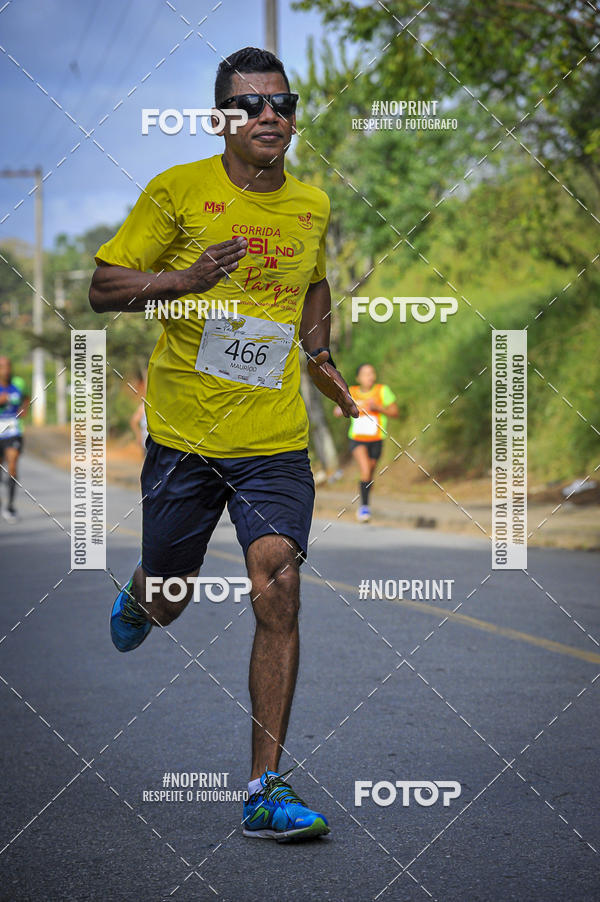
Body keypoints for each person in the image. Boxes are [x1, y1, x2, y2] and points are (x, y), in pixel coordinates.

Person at [88, 47, 358, 842]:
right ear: (222, 120)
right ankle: (147, 588)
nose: (270, 115)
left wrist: (325, 364)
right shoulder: (178, 191)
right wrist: (183, 280)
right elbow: (105, 286)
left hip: (272, 439)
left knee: (277, 581)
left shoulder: (310, 204)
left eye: (282, 103)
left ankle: (264, 788)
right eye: (251, 106)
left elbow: (312, 290)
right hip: (183, 437)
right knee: (171, 602)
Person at [335, 363, 398, 523]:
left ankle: (365, 503)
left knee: (369, 472)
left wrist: (378, 407)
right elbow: (338, 410)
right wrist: (346, 409)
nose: (369, 377)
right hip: (357, 439)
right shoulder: (353, 392)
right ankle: (364, 507)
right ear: (358, 377)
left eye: (372, 373)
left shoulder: (382, 391)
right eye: (365, 374)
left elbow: (395, 412)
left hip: (376, 439)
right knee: (364, 469)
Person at [0, 356, 29, 523]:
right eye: (2, 366)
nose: (6, 369)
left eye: (7, 365)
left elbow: (25, 397)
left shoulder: (17, 383)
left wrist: (24, 408)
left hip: (13, 431)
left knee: (13, 463)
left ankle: (10, 507)